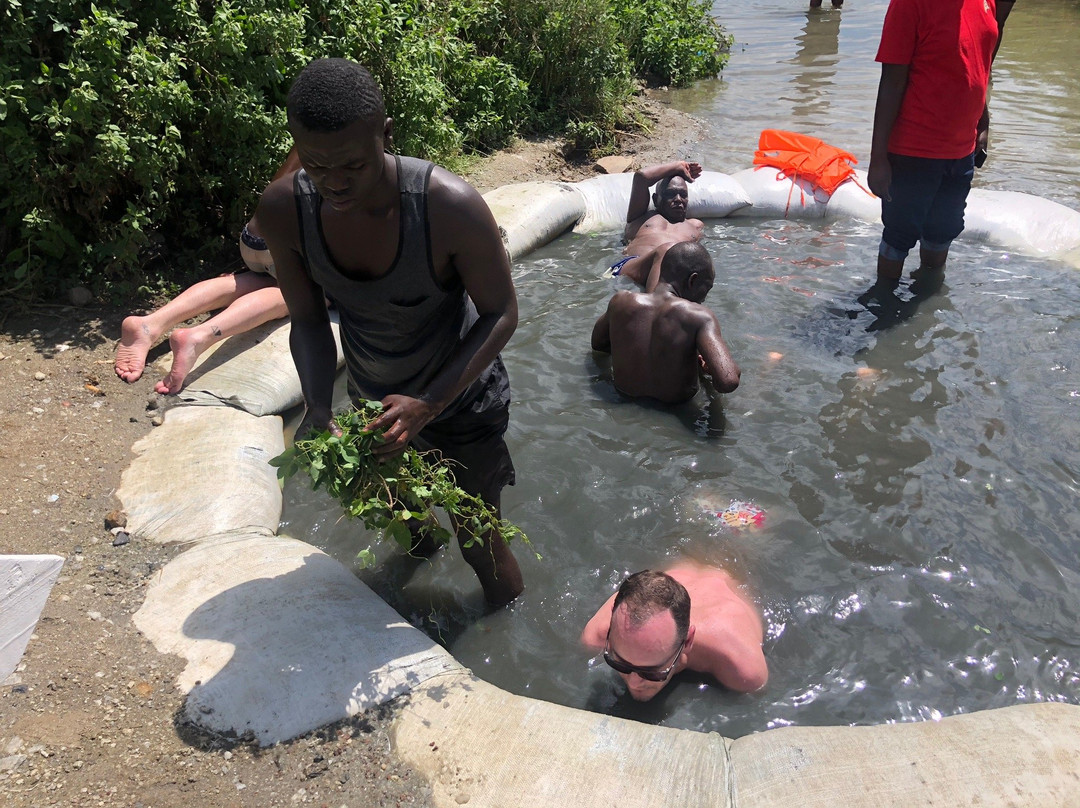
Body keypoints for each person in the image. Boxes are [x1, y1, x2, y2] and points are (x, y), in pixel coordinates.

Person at [256, 58, 524, 606]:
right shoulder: (284, 209)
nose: (334, 183)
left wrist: (428, 403)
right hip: (374, 406)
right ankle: (415, 597)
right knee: (407, 523)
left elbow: (501, 313)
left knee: (479, 542)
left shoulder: (448, 207)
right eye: (315, 165)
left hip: (461, 402)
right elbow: (308, 319)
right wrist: (319, 407)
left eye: (353, 165)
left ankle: (504, 629)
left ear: (387, 134)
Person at [114, 152, 302, 394]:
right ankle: (199, 336)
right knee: (296, 292)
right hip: (282, 247)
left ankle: (149, 324)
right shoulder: (344, 147)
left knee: (258, 279)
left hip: (253, 240)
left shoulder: (309, 137)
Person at [867, 0, 1015, 284]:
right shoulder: (909, 5)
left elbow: (980, 63)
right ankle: (884, 300)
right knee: (898, 237)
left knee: (942, 232)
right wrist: (878, 158)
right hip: (914, 149)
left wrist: (983, 119)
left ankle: (928, 296)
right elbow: (891, 82)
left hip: (961, 150)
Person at [581, 565, 768, 702]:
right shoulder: (597, 635)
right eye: (619, 663)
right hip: (685, 566)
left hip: (733, 569)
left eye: (652, 672)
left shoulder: (741, 667)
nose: (634, 683)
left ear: (687, 641)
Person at [592, 241, 740, 404]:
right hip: (676, 409)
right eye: (707, 288)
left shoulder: (621, 302)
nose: (704, 298)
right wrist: (711, 368)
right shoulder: (700, 317)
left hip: (622, 400)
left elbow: (598, 345)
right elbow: (728, 381)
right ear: (692, 280)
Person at [611, 161, 705, 291]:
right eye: (670, 194)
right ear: (655, 199)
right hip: (635, 267)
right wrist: (677, 167)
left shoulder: (695, 226)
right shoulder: (640, 216)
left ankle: (660, 298)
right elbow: (641, 177)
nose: (678, 199)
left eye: (683, 195)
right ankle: (655, 300)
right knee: (665, 251)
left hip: (671, 276)